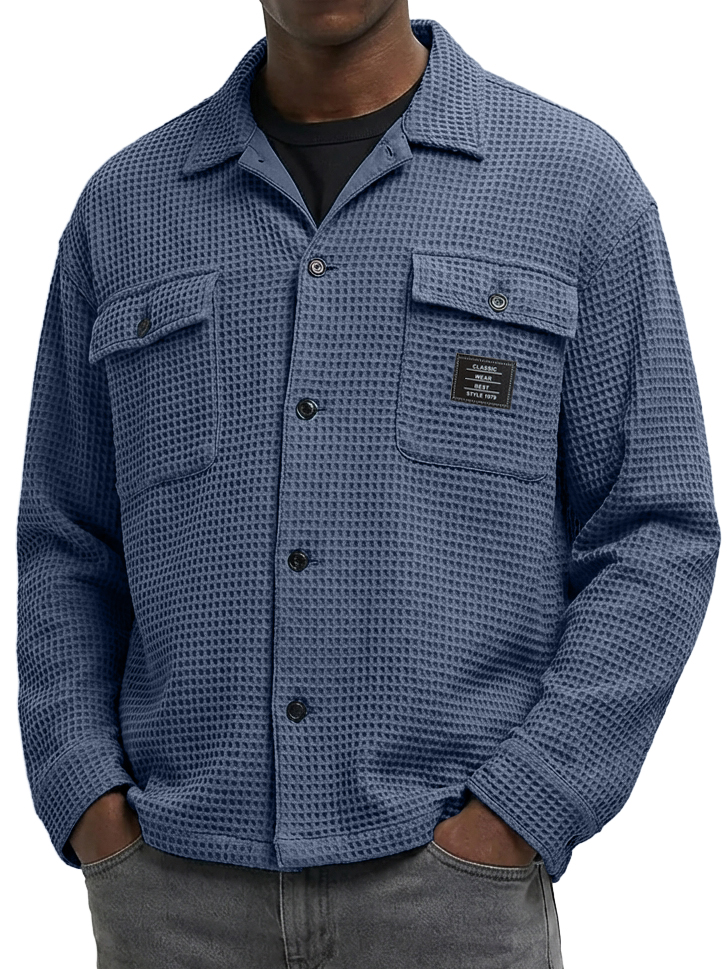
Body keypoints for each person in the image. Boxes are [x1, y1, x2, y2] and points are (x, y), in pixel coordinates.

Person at [15, 2, 720, 967]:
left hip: (451, 894)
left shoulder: (575, 186)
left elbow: (655, 527)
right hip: (173, 894)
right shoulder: (124, 209)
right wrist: (84, 792)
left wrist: (528, 801)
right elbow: (67, 536)